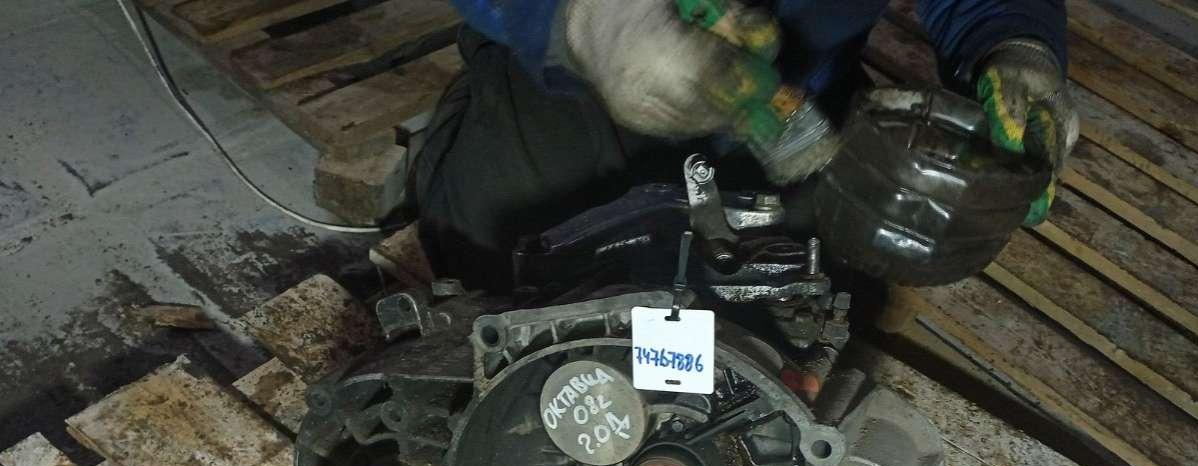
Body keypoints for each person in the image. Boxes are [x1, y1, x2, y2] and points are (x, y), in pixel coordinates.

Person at [412, 0, 1078, 291]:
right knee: (493, 266)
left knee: (810, 308)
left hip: (797, 98)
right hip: (578, 69)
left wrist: (1015, 42)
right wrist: (585, 21)